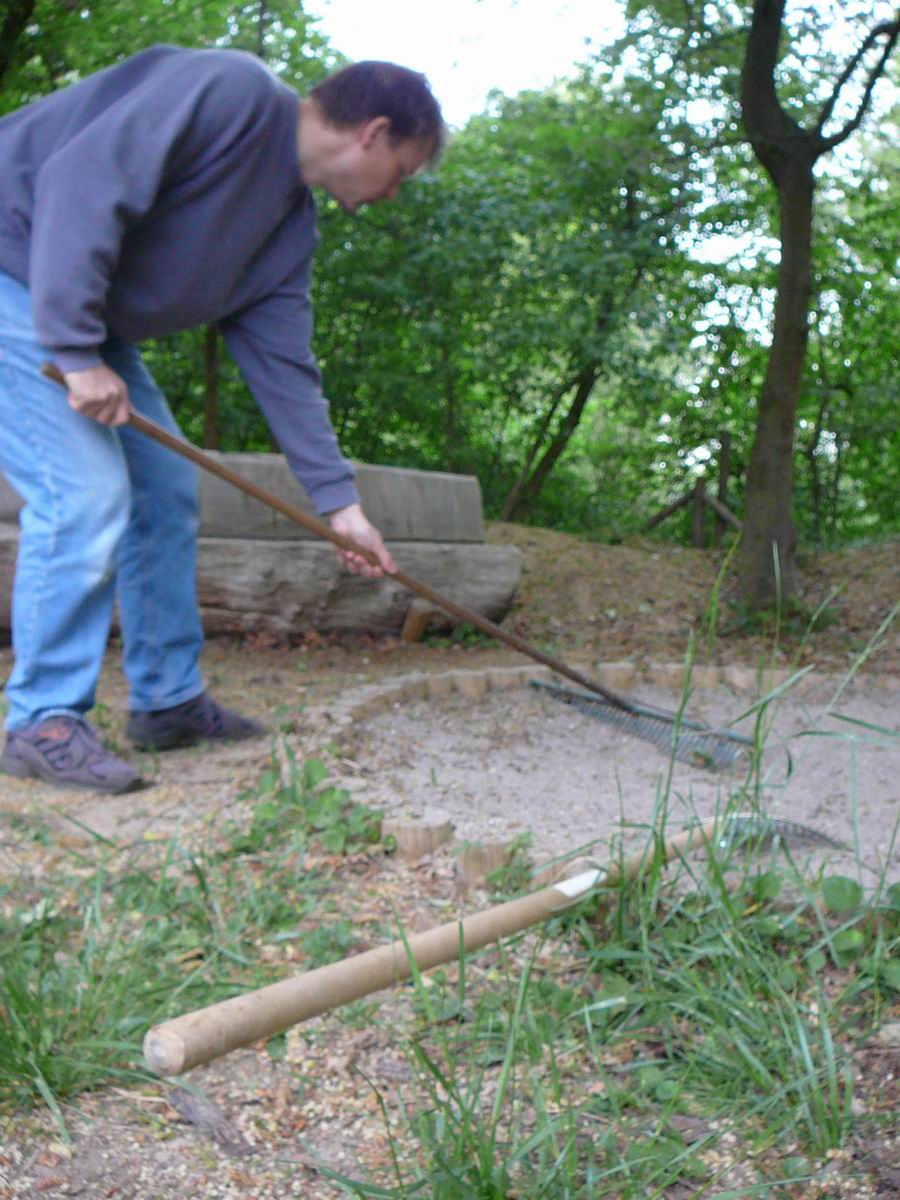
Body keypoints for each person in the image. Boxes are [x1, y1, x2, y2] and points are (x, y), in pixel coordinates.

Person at [0, 46, 444, 794]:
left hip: (82, 323)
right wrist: (74, 352)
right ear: (372, 133)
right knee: (84, 494)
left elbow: (285, 370)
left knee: (167, 489)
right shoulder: (230, 93)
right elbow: (83, 180)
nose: (394, 192)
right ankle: (42, 720)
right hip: (15, 273)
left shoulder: (287, 232)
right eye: (401, 171)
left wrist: (341, 507)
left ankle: (167, 701)